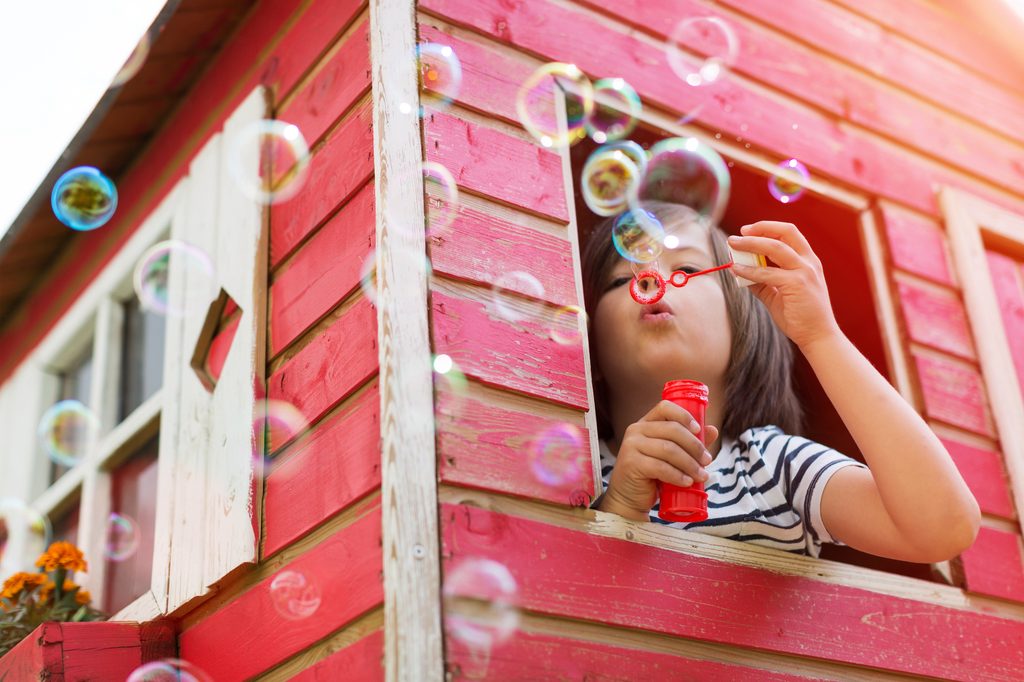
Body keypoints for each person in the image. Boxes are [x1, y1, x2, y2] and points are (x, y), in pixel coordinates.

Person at [582, 200, 980, 561]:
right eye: (623, 279)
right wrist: (619, 504)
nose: (651, 280)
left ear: (742, 326)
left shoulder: (773, 467)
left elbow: (942, 528)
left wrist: (820, 336)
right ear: (590, 345)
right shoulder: (584, 471)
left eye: (685, 268)